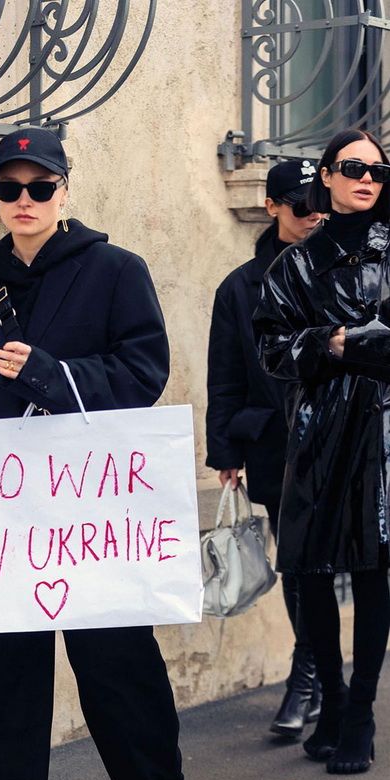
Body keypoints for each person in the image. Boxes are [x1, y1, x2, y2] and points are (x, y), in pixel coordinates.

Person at [0, 127, 191, 780]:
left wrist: (52, 376)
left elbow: (144, 373)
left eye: (40, 186)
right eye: (10, 187)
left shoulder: (116, 271)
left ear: (64, 192)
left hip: (94, 515)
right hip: (7, 526)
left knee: (121, 680)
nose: (25, 199)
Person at [253, 128, 390, 775]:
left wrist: (353, 344)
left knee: (372, 570)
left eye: (378, 170)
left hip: (385, 430)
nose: (368, 178)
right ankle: (331, 700)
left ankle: (359, 714)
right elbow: (271, 349)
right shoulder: (295, 267)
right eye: (354, 167)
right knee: (308, 570)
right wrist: (328, 345)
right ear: (327, 178)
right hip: (317, 431)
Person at [206, 160, 324, 738]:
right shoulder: (239, 287)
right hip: (275, 446)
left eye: (319, 205)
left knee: (337, 558)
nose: (314, 216)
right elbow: (225, 373)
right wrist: (225, 449)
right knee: (297, 561)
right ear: (273, 206)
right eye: (301, 206)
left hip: (343, 439)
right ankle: (311, 675)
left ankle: (314, 677)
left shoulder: (345, 270)